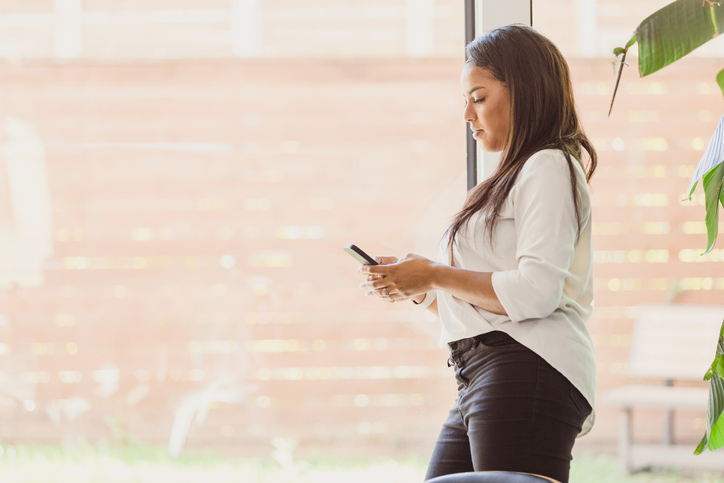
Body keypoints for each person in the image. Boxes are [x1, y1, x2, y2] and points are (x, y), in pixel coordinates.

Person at [357, 25, 597, 483]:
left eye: (479, 97)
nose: (467, 113)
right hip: (487, 368)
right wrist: (417, 286)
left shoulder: (547, 165)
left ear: (524, 91)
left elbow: (536, 293)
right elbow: (493, 300)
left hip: (527, 365)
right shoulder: (515, 175)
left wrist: (433, 275)